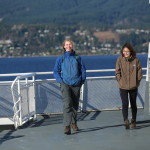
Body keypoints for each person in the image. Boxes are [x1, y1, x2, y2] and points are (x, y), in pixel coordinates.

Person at [53, 40, 86, 135]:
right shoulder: (61, 58)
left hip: (76, 83)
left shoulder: (77, 58)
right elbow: (56, 71)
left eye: (70, 44)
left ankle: (74, 122)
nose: (68, 46)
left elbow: (83, 70)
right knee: (67, 104)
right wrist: (60, 81)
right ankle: (67, 126)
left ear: (72, 46)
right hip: (65, 84)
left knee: (75, 105)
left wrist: (82, 80)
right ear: (64, 46)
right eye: (66, 44)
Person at [115, 43, 142, 129]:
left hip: (133, 86)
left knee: (133, 104)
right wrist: (119, 80)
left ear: (131, 52)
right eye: (124, 51)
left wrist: (137, 82)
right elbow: (117, 71)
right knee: (125, 103)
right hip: (123, 86)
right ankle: (126, 120)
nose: (125, 53)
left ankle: (133, 121)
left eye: (127, 51)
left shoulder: (136, 60)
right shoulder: (120, 59)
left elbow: (139, 71)